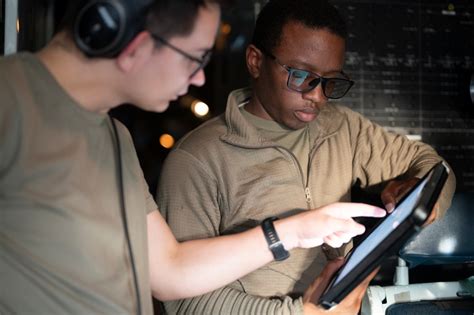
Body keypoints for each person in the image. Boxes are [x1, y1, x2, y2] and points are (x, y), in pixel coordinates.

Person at [0, 0, 389, 314]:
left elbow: (169, 270)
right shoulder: (9, 99)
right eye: (194, 57)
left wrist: (297, 230)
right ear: (132, 42)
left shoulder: (111, 137)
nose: (199, 78)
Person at [157, 0, 456, 314]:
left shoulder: (342, 128)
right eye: (301, 76)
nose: (317, 96)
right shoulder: (196, 161)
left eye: (331, 81)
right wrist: (299, 313)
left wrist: (421, 197)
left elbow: (434, 166)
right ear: (256, 61)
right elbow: (184, 301)